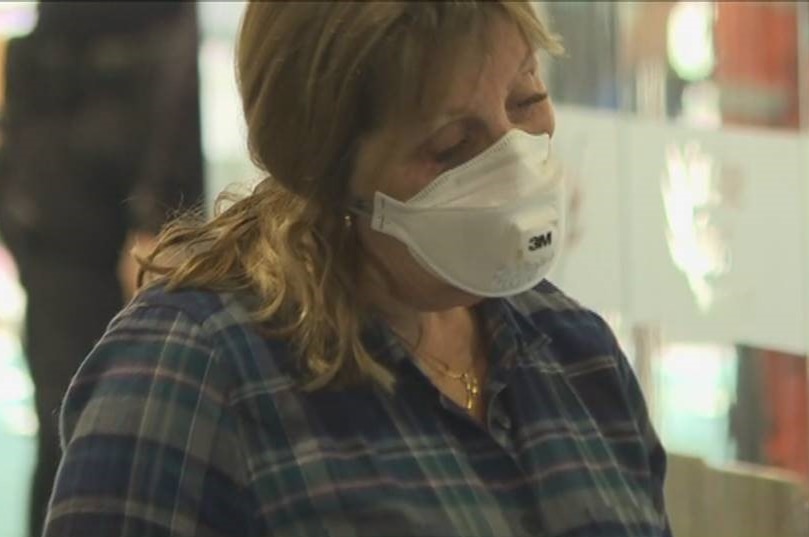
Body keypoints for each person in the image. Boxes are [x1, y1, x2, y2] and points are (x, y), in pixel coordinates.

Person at [43, 3, 671, 536]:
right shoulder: (194, 375)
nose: (515, 163)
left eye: (527, 100)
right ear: (328, 170)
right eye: (451, 146)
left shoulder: (575, 353)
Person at [0, 4, 204, 536]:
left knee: (147, 427)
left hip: (121, 219)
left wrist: (158, 216)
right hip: (61, 229)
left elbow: (176, 59)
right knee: (67, 429)